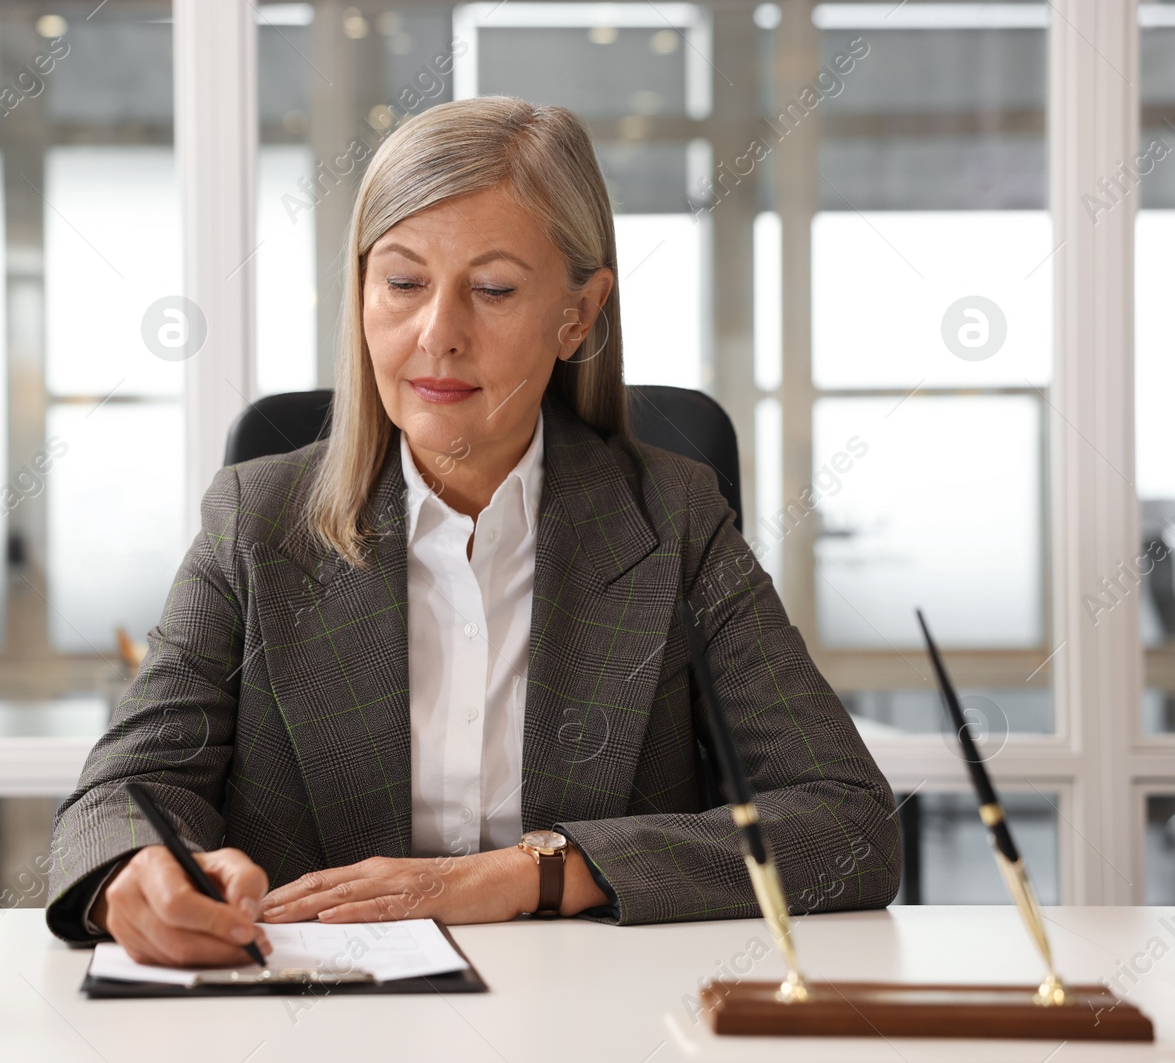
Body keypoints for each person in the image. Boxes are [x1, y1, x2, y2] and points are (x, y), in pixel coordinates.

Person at [44, 95, 901, 967]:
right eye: (404, 283)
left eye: (492, 289)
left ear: (577, 316)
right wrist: (133, 874)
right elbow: (121, 792)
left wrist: (535, 871)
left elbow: (849, 824)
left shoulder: (674, 519)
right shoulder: (254, 521)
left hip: (592, 1019)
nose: (438, 335)